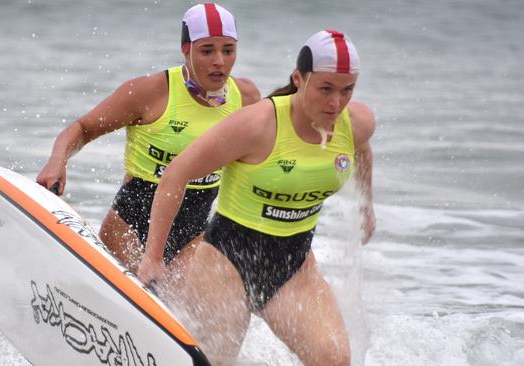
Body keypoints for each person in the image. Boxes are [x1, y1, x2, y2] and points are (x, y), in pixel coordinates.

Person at [138, 30, 376, 365]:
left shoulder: (357, 123)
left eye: (347, 90)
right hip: (226, 260)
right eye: (325, 89)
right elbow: (176, 173)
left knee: (334, 360)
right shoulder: (259, 125)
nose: (336, 102)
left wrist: (367, 207)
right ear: (299, 79)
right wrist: (153, 257)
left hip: (293, 265)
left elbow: (362, 149)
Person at [36, 3, 260, 282]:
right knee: (134, 304)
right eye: (207, 50)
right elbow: (82, 128)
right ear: (186, 50)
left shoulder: (246, 98)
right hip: (130, 228)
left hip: (193, 234)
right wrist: (58, 161)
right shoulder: (150, 92)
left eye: (228, 50)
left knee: (190, 319)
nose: (219, 61)